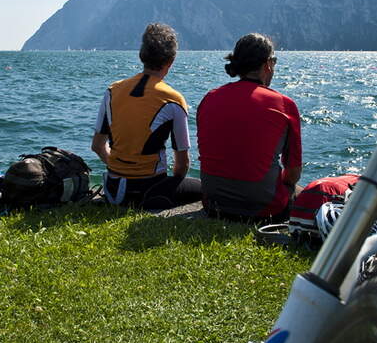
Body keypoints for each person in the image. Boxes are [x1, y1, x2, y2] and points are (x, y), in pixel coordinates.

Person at [91, 23, 202, 210]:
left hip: (114, 190)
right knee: (204, 188)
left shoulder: (112, 91)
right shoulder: (173, 99)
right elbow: (182, 165)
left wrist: (121, 169)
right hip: (150, 191)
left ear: (142, 56)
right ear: (171, 61)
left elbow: (97, 146)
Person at [197, 33, 302, 223]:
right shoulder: (285, 105)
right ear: (268, 64)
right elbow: (293, 173)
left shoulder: (209, 98)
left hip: (213, 204)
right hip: (264, 209)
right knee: (304, 192)